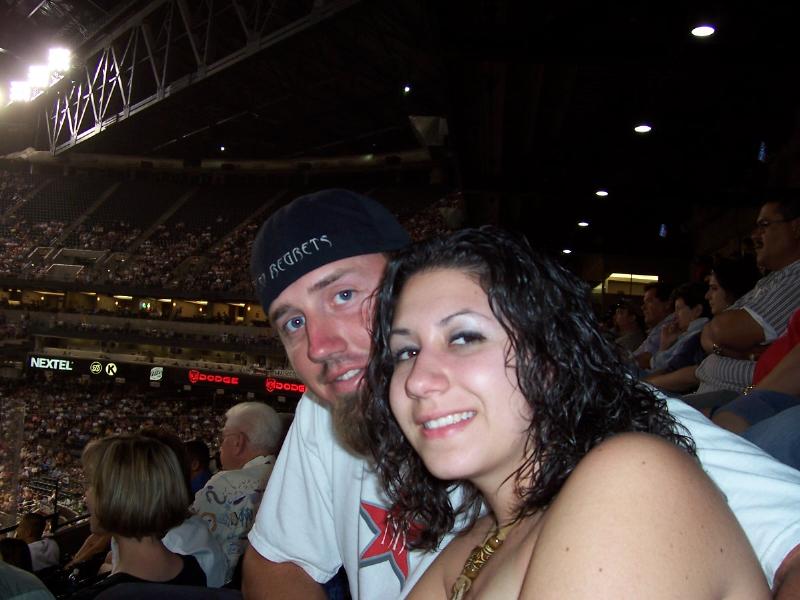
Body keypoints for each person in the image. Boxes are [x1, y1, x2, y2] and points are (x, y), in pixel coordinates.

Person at [243, 189, 800, 599]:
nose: (320, 346)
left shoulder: (624, 450)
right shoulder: (474, 537)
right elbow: (277, 563)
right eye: (292, 323)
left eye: (343, 295)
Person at [354, 226, 767, 598]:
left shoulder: (631, 479)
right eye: (406, 352)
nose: (417, 380)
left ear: (551, 361)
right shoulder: (481, 541)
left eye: (463, 337)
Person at [690, 193, 800, 402]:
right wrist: (731, 348)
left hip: (737, 399)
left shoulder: (796, 277)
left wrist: (720, 341)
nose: (755, 236)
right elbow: (709, 332)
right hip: (712, 394)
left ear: (796, 227)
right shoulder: (769, 280)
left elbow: (721, 329)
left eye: (764, 225)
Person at [70, 435, 207, 599]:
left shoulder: (99, 596)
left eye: (91, 484)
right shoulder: (194, 571)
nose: (86, 495)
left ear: (118, 495)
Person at [192, 401, 281, 583]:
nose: (220, 447)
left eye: (223, 438)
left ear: (238, 442)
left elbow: (187, 543)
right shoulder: (291, 482)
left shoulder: (223, 483)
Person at [645, 257, 759, 393]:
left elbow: (689, 374)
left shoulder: (706, 334)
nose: (707, 296)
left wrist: (644, 386)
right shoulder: (703, 334)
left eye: (714, 288)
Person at [632, 282, 675, 370]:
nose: (643, 307)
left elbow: (644, 360)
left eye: (649, 301)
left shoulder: (669, 327)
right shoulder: (658, 328)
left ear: (667, 304)